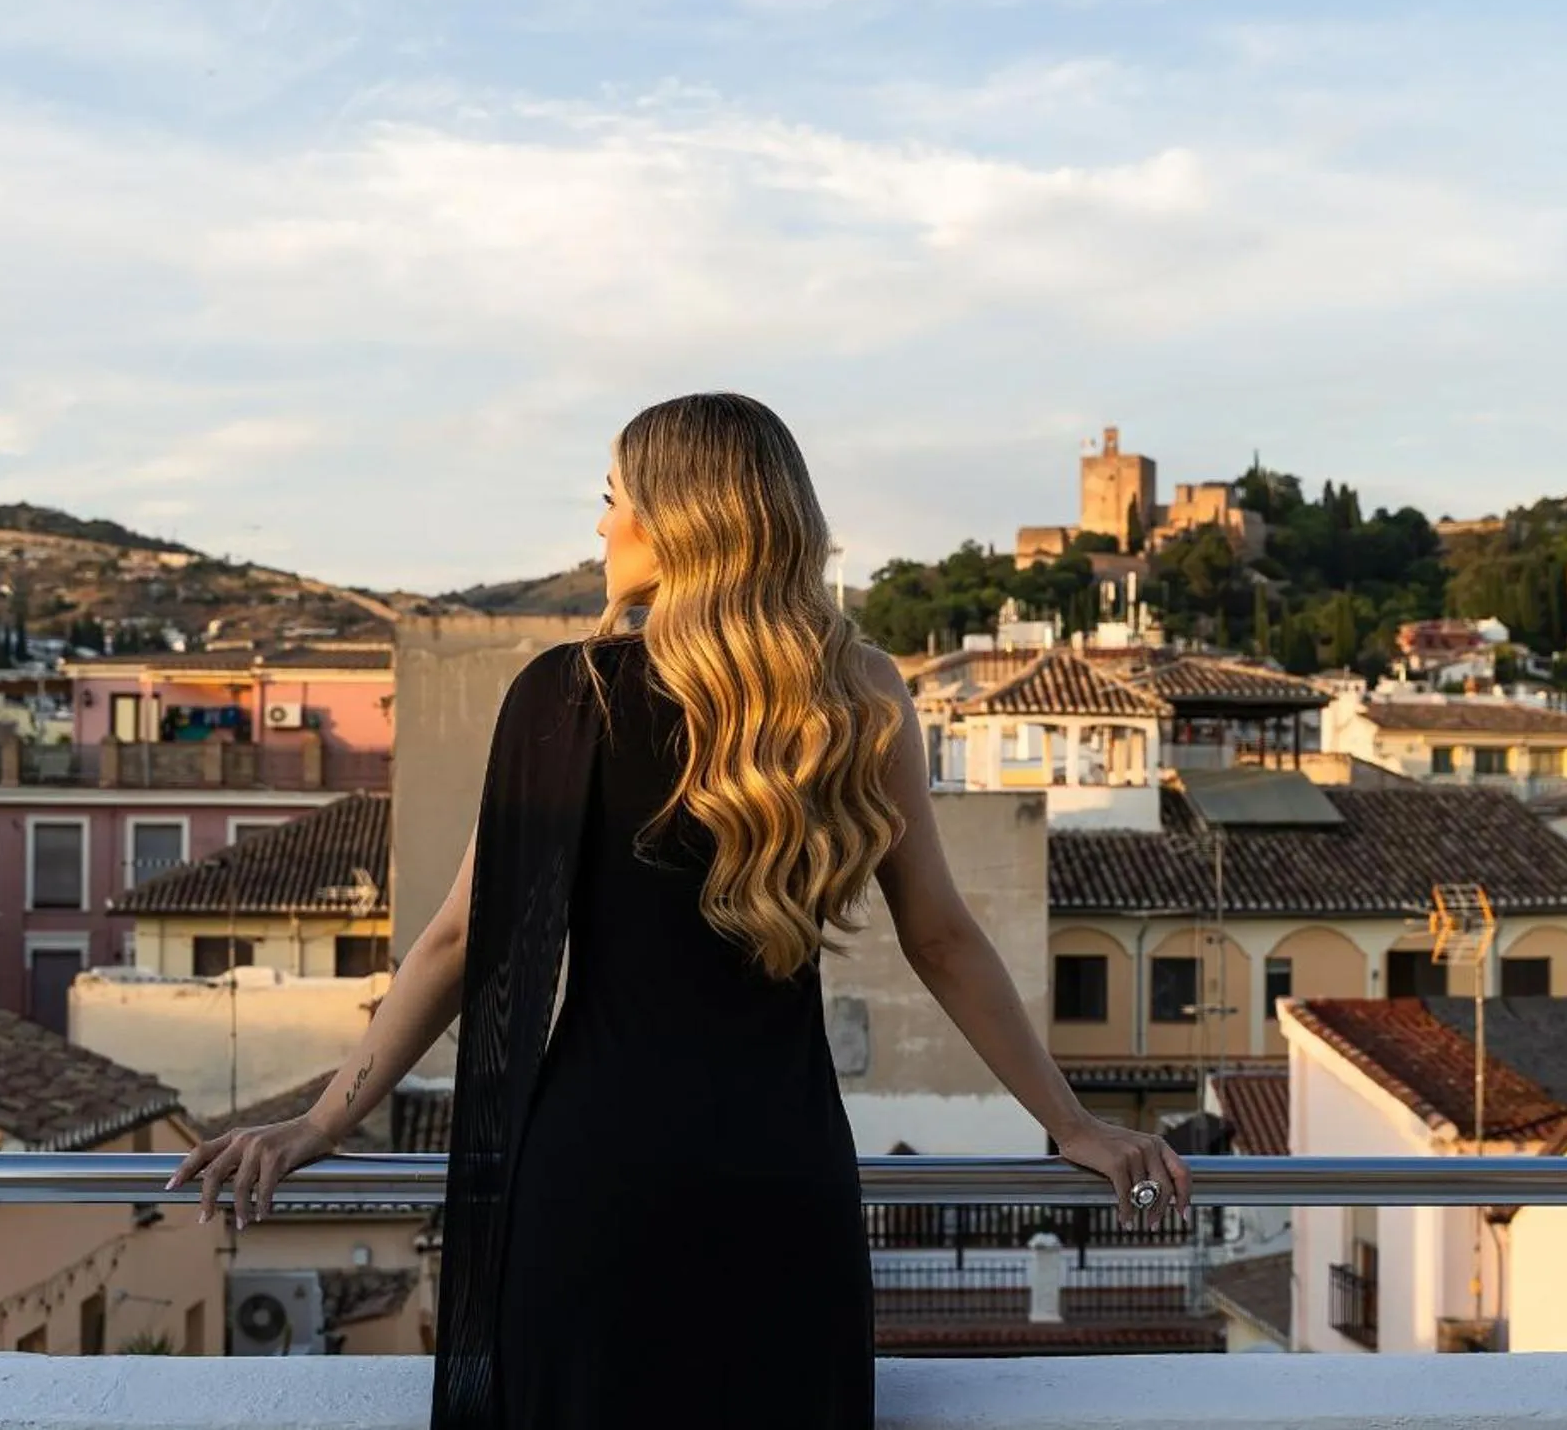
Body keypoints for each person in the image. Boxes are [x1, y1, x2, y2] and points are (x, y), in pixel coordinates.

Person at [166, 392, 1192, 1428]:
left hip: (593, 1177)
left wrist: (321, 1121)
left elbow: (461, 940)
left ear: (672, 521)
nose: (599, 525)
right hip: (782, 1178)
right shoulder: (860, 696)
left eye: (613, 500)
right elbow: (940, 935)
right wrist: (1068, 1124)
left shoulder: (568, 697)